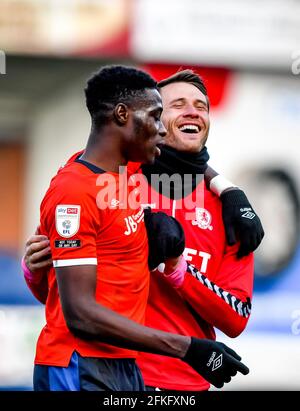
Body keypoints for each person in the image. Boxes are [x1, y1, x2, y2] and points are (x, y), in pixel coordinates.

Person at [25, 65, 249, 392]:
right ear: (121, 114)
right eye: (158, 115)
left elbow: (186, 158)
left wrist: (228, 189)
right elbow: (79, 313)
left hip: (124, 367)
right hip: (78, 364)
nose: (161, 129)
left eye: (202, 106)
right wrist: (189, 348)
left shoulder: (126, 181)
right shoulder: (76, 189)